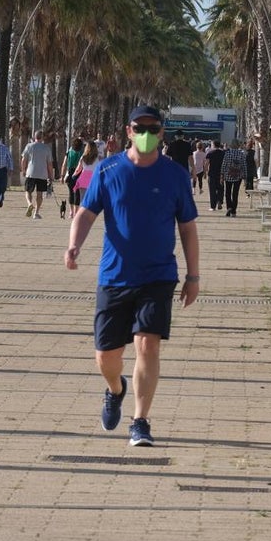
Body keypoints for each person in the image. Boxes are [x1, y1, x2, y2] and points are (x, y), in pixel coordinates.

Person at [64, 104, 200, 447]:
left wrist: (193, 275)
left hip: (158, 276)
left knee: (147, 345)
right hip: (115, 276)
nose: (146, 135)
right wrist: (74, 245)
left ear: (162, 133)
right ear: (128, 131)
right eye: (140, 128)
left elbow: (187, 228)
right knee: (106, 357)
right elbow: (85, 213)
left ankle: (140, 420)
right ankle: (116, 389)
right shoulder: (109, 170)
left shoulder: (175, 175)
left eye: (153, 129)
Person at [21, 129, 56, 219]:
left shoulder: (29, 146)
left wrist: (24, 170)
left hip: (31, 173)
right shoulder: (46, 148)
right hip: (42, 174)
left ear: (34, 137)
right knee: (39, 194)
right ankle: (36, 213)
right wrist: (51, 176)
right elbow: (49, 164)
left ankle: (29, 204)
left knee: (28, 191)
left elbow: (23, 160)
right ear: (42, 137)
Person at [221, 140, 247, 217]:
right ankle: (234, 211)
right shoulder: (241, 154)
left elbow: (224, 165)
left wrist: (222, 175)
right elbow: (244, 166)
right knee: (235, 193)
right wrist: (245, 177)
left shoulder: (227, 153)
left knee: (228, 192)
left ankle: (229, 207)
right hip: (238, 176)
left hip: (228, 175)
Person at [62, 137, 85, 219]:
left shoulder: (69, 151)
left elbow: (64, 164)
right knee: (77, 193)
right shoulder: (82, 152)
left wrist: (62, 175)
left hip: (70, 172)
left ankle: (71, 212)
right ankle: (76, 212)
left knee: (71, 193)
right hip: (79, 173)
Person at [206, 140, 225, 211]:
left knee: (212, 190)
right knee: (221, 188)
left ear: (213, 145)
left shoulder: (210, 153)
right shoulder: (223, 153)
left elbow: (206, 163)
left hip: (212, 173)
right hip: (221, 173)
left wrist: (205, 172)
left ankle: (213, 206)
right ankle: (220, 200)